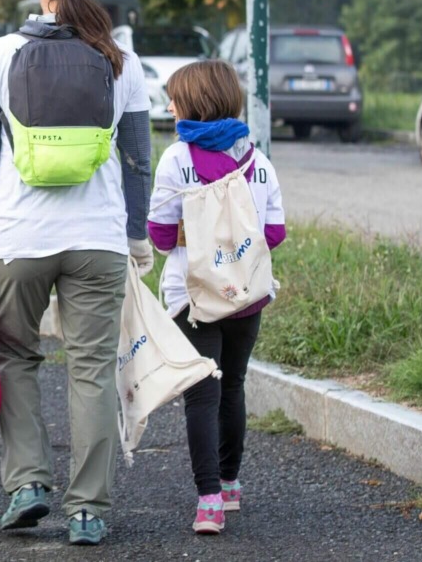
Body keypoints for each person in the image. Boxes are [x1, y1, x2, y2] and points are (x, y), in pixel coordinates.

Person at [0, 0, 153, 545]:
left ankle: (28, 485)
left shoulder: (1, 54)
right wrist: (137, 236)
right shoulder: (121, 60)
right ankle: (87, 509)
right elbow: (138, 160)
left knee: (16, 358)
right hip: (98, 240)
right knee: (91, 369)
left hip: (18, 239)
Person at [146, 60, 286, 535]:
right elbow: (274, 233)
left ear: (194, 102)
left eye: (174, 98)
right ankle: (229, 486)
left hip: (195, 296)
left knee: (201, 396)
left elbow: (161, 236)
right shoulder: (258, 161)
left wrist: (199, 237)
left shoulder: (176, 160)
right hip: (247, 294)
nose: (170, 106)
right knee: (233, 387)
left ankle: (207, 501)